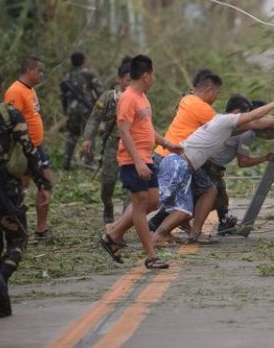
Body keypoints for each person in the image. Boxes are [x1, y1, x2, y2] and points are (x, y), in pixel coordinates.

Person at [150, 91, 274, 247]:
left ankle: (168, 233)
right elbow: (253, 118)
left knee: (191, 202)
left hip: (181, 163)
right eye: (244, 115)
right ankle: (161, 233)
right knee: (172, 205)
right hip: (179, 164)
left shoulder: (224, 124)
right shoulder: (225, 121)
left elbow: (255, 123)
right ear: (237, 113)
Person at [0, 64, 53, 318]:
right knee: (19, 239)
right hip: (9, 189)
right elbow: (29, 150)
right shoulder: (10, 114)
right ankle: (2, 275)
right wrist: (43, 183)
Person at [99, 55, 182, 270]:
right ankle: (151, 256)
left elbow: (146, 128)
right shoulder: (128, 98)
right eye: (152, 75)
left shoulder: (143, 98)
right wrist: (137, 162)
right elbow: (124, 131)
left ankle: (113, 235)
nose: (153, 79)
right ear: (145, 76)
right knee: (140, 203)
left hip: (146, 157)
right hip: (131, 160)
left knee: (153, 202)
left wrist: (167, 143)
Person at [147, 70, 222, 236]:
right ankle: (191, 233)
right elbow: (228, 125)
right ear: (208, 90)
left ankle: (170, 230)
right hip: (175, 160)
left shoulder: (187, 100)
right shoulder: (201, 107)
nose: (216, 97)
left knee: (176, 199)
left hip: (163, 155)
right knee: (208, 191)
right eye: (217, 93)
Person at [203, 96, 274, 235]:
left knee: (221, 196)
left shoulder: (232, 122)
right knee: (209, 198)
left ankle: (224, 223)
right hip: (210, 165)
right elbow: (243, 162)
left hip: (208, 163)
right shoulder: (247, 133)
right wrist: (265, 157)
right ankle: (164, 221)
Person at [5, 56, 54, 240]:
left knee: (44, 184)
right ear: (30, 70)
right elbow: (11, 121)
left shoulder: (30, 90)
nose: (41, 74)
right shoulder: (15, 91)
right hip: (23, 148)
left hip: (37, 147)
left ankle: (41, 229)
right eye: (39, 70)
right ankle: (14, 228)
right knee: (22, 188)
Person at [82, 58, 132, 223]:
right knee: (108, 181)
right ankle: (108, 204)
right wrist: (88, 138)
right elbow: (94, 118)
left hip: (131, 146)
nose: (130, 84)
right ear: (120, 80)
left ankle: (124, 221)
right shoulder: (109, 98)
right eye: (128, 80)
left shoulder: (139, 98)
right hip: (112, 144)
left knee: (129, 186)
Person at [60, 52, 103, 170]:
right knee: (89, 135)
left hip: (72, 110)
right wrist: (100, 109)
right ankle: (88, 162)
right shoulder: (89, 74)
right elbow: (100, 92)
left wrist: (66, 111)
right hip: (87, 109)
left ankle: (66, 162)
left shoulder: (67, 76)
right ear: (84, 60)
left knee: (72, 135)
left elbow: (63, 96)